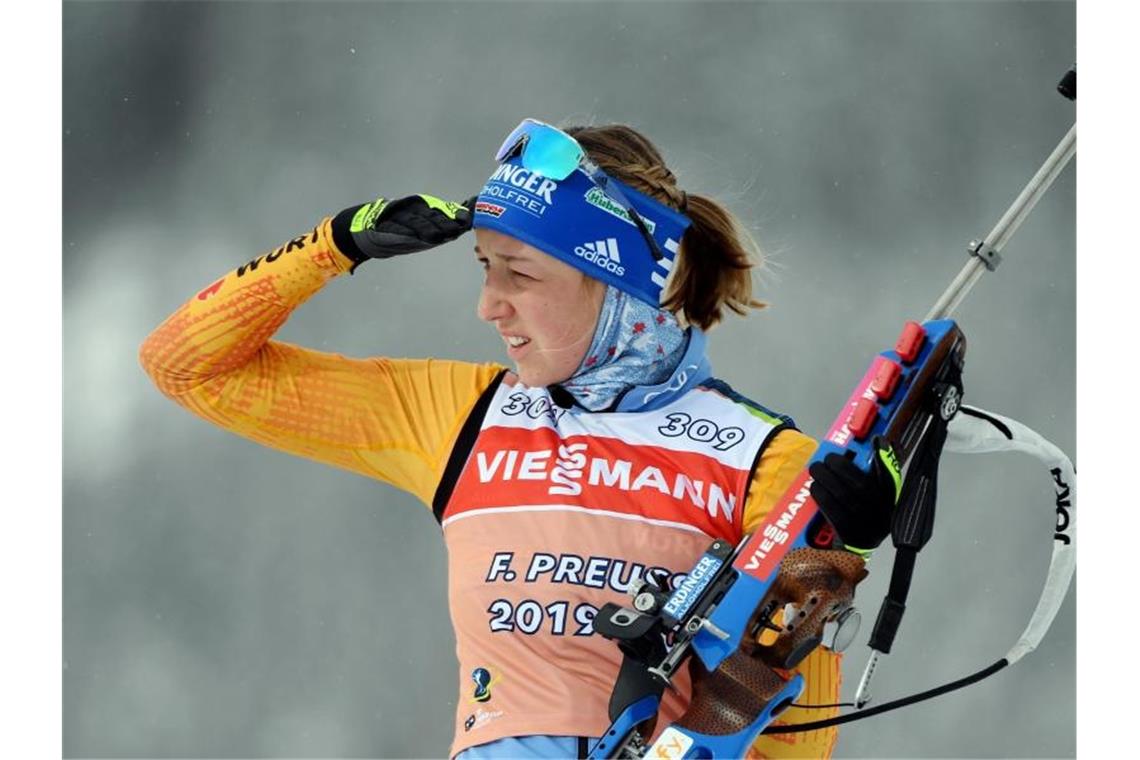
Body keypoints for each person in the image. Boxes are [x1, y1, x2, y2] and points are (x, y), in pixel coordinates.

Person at [140, 118, 896, 759]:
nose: (488, 306)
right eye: (483, 268)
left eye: (519, 274)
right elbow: (185, 366)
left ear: (617, 284)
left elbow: (783, 743)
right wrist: (333, 247)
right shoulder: (457, 415)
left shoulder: (763, 460)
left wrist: (835, 562)